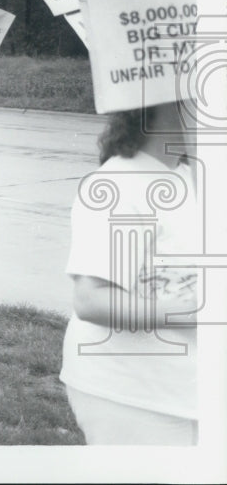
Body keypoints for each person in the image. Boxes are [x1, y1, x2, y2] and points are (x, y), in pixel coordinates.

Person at [59, 101, 200, 445]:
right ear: (167, 104)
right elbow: (91, 300)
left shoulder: (181, 176)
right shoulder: (121, 182)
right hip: (131, 397)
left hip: (182, 393)